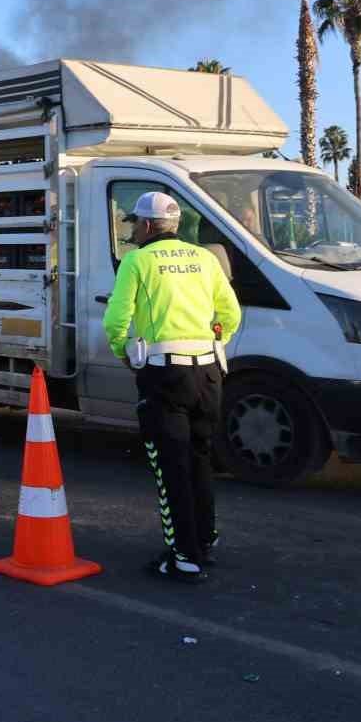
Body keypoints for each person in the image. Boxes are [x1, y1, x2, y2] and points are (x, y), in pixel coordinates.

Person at [102, 191, 242, 583]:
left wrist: (123, 351)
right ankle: (204, 540)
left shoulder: (137, 261)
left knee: (171, 467)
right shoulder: (206, 259)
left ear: (147, 225)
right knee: (199, 458)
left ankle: (183, 557)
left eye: (134, 224)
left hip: (165, 375)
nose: (133, 231)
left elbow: (116, 319)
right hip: (209, 373)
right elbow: (230, 314)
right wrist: (216, 340)